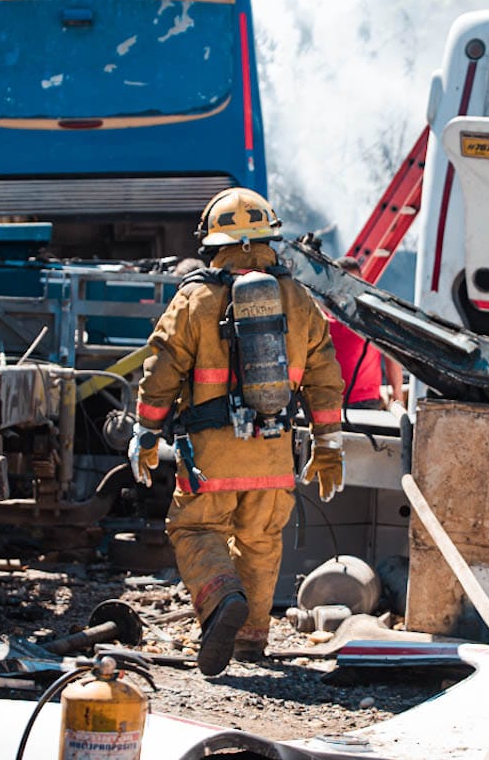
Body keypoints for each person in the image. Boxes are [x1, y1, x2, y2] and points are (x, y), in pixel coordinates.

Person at [129, 188, 345, 676]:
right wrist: (328, 446)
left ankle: (222, 598)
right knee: (261, 539)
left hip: (212, 456)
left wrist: (145, 432)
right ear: (270, 236)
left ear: (212, 241)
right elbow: (325, 379)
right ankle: (250, 639)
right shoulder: (298, 298)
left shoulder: (196, 298)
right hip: (274, 455)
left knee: (195, 528)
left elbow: (161, 370)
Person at [327, 256, 405, 409]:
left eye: (352, 283)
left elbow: (391, 355)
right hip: (329, 403)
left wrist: (397, 395)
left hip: (366, 403)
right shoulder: (321, 316)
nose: (347, 289)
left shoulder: (372, 318)